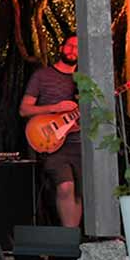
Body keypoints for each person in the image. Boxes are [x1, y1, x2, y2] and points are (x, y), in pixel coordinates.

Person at [19, 35, 82, 227]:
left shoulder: (84, 80)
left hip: (79, 143)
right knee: (65, 187)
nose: (73, 50)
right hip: (52, 143)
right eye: (69, 45)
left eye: (78, 47)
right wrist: (55, 108)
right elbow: (24, 109)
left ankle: (73, 242)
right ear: (61, 47)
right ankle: (69, 239)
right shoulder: (42, 76)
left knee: (79, 192)